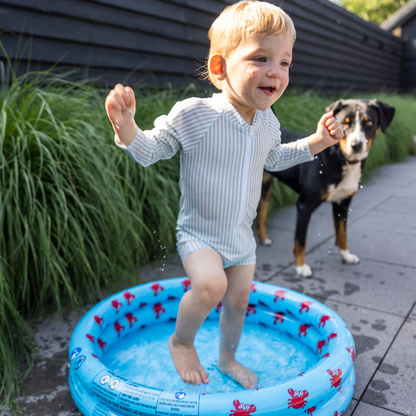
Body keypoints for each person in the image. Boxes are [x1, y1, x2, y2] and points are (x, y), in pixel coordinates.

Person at [105, 0, 343, 390]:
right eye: (261, 58)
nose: (275, 72)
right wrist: (127, 128)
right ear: (219, 68)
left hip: (240, 239)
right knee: (211, 286)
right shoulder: (196, 114)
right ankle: (181, 342)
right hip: (199, 235)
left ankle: (227, 358)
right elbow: (149, 151)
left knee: (236, 302)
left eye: (284, 62)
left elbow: (277, 158)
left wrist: (316, 142)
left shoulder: (267, 121)